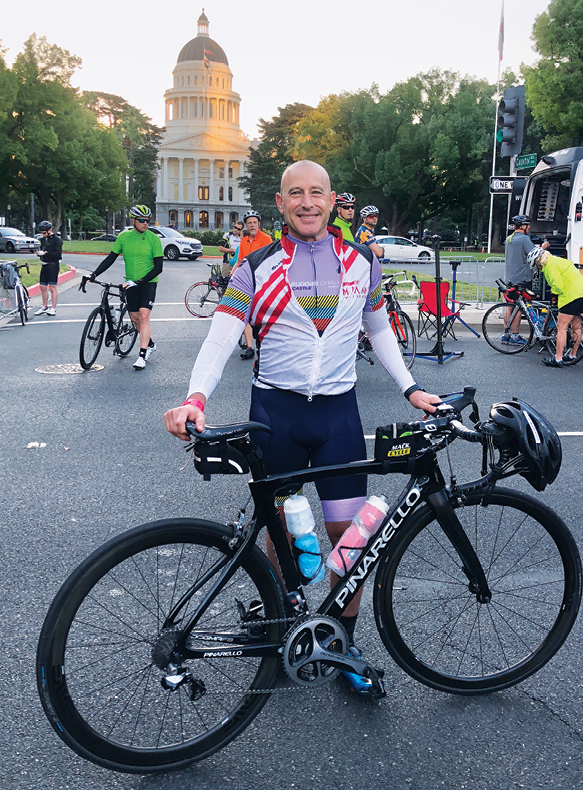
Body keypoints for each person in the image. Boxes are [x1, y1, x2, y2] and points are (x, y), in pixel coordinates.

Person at [164, 160, 439, 694]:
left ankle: (340, 640)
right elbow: (222, 336)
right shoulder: (257, 265)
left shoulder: (361, 262)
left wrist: (410, 387)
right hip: (277, 416)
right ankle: (285, 624)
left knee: (349, 537)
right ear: (281, 202)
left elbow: (378, 328)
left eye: (317, 193)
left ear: (333, 200)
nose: (308, 202)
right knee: (280, 533)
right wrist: (195, 397)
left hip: (337, 415)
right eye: (297, 194)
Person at [89, 205, 163, 371]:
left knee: (144, 316)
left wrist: (141, 281)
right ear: (133, 220)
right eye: (142, 221)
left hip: (148, 283)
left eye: (147, 221)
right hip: (130, 283)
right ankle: (150, 344)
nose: (145, 224)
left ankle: (142, 355)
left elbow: (158, 267)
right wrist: (93, 275)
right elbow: (110, 259)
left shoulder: (153, 239)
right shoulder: (124, 237)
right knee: (136, 319)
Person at [527, 247, 583, 367]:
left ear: (538, 262)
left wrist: (553, 293)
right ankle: (572, 355)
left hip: (571, 296)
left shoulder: (549, 266)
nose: (538, 269)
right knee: (577, 326)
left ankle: (558, 358)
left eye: (536, 266)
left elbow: (558, 286)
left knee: (561, 327)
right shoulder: (558, 260)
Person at [502, 215, 549, 345]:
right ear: (523, 226)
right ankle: (515, 336)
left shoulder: (509, 239)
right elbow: (535, 254)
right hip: (522, 278)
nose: (529, 228)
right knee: (519, 306)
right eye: (528, 226)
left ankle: (505, 334)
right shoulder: (524, 239)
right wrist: (543, 246)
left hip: (510, 277)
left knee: (509, 306)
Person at [232, 209, 272, 360]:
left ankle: (263, 345)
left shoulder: (266, 239)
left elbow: (270, 262)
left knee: (261, 316)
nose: (252, 225)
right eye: (249, 223)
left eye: (254, 222)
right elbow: (239, 261)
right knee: (245, 315)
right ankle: (249, 347)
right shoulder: (244, 241)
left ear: (259, 224)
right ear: (246, 226)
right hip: (246, 283)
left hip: (262, 284)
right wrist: (233, 275)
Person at [33, 221, 62, 316]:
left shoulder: (57, 240)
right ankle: (44, 306)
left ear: (49, 231)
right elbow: (42, 250)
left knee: (52, 287)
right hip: (44, 264)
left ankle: (53, 308)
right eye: (41, 233)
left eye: (44, 233)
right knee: (42, 286)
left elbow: (58, 254)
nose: (43, 234)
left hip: (53, 265)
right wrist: (39, 253)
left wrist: (46, 253)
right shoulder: (43, 240)